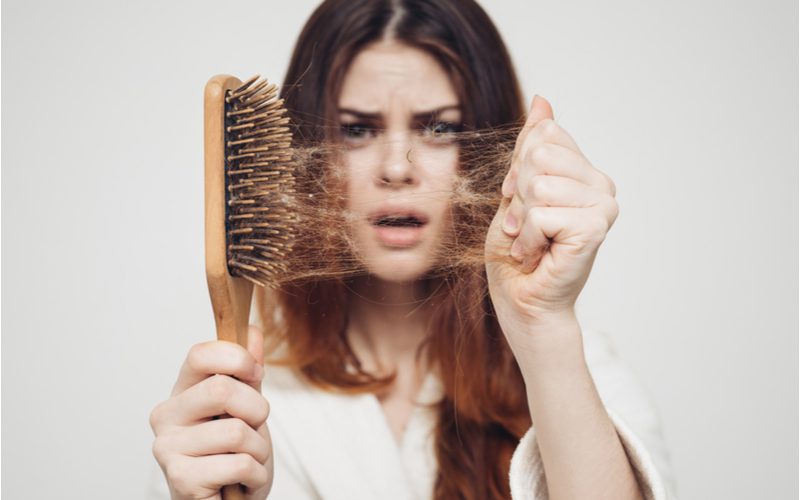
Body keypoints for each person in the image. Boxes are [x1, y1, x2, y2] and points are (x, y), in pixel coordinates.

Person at [148, 1, 676, 499]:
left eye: (439, 128)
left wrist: (541, 326)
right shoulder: (242, 406)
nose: (397, 168)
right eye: (356, 130)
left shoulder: (573, 368)